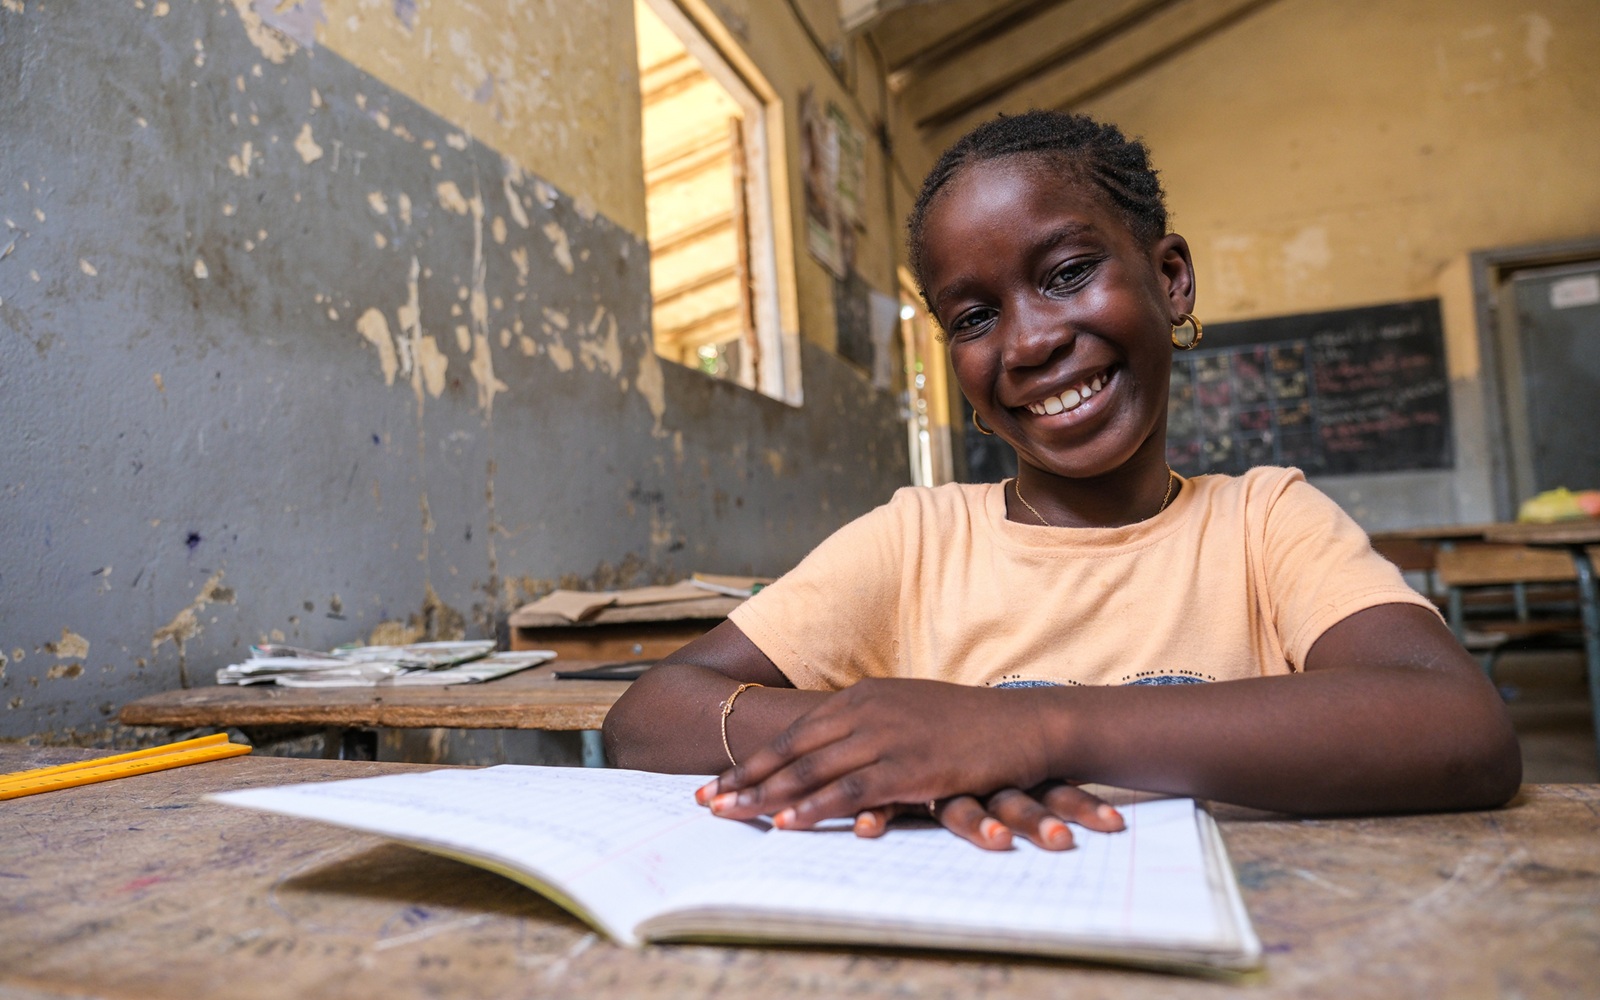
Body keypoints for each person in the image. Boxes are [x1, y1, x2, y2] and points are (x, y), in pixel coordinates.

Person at [602, 111, 1520, 852]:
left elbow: (1458, 727)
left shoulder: (1265, 523)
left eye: (1070, 273)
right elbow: (649, 718)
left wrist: (1033, 730)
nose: (1031, 340)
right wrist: (900, 754)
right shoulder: (916, 539)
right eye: (973, 317)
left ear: (1171, 280)